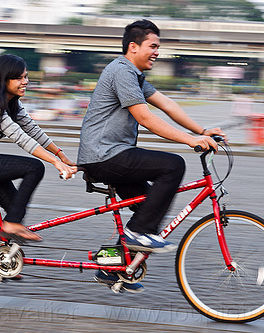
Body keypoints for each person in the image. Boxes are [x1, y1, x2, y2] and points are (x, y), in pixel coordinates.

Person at [77, 19, 225, 292]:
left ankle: (111, 266)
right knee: (172, 165)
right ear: (133, 47)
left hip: (112, 155)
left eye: (158, 47)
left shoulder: (133, 74)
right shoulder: (121, 71)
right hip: (105, 156)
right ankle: (137, 235)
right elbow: (145, 117)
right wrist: (192, 140)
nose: (157, 52)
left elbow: (166, 104)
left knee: (149, 208)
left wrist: (202, 130)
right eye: (153, 46)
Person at [0, 54, 77, 242]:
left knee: (14, 208)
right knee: (34, 168)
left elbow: (32, 130)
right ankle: (11, 225)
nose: (25, 82)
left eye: (26, 77)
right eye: (19, 78)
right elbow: (21, 138)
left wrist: (62, 156)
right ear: (4, 79)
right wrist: (54, 162)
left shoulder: (12, 103)